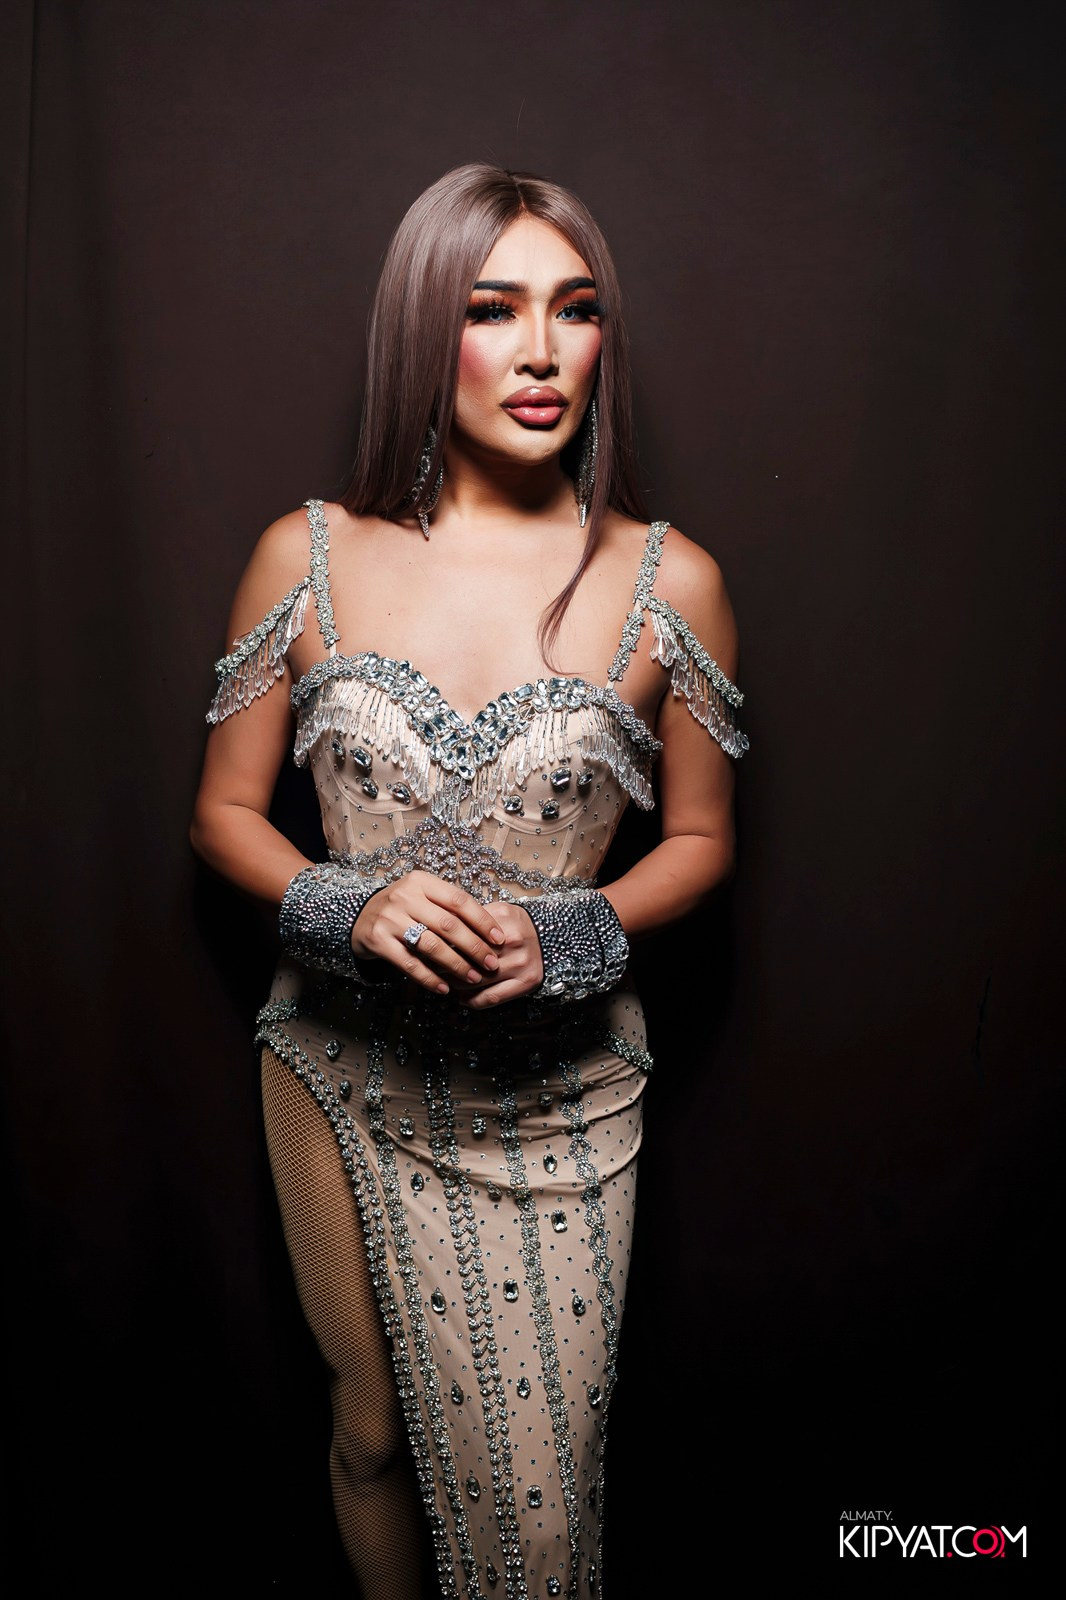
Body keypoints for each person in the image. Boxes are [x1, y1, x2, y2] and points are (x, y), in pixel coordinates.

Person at [191, 162, 748, 1600]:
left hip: (558, 1095)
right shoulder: (305, 555)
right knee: (371, 1435)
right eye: (491, 310)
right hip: (336, 1061)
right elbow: (224, 816)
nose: (541, 350)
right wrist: (346, 904)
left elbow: (701, 842)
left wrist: (580, 931)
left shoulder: (670, 581)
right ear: (421, 331)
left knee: (543, 1504)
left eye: (575, 309)